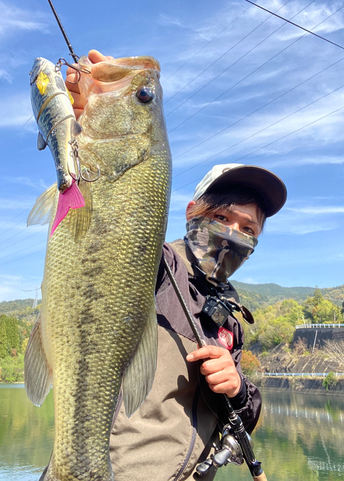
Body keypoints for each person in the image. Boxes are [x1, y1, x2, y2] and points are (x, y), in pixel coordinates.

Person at [65, 50, 287, 481]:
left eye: (248, 229)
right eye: (222, 218)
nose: (233, 234)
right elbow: (104, 221)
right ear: (191, 212)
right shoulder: (153, 262)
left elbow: (245, 413)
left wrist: (237, 387)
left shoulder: (230, 310)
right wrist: (89, 116)